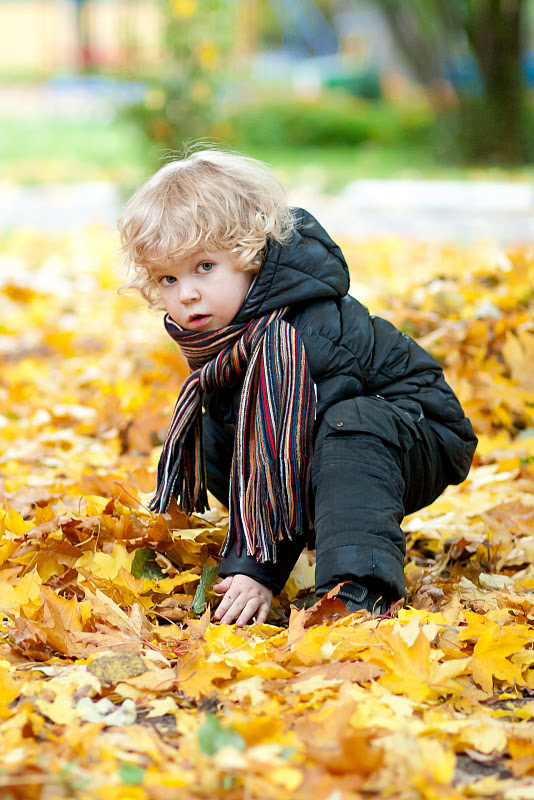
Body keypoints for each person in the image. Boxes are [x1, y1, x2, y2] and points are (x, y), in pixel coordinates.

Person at [117, 148, 477, 627]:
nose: (187, 293)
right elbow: (263, 447)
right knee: (215, 437)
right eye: (168, 278)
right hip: (333, 438)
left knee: (349, 427)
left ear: (249, 254)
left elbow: (287, 452)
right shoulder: (231, 334)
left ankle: (359, 591)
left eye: (204, 267)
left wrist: (257, 571)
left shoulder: (299, 335)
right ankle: (323, 531)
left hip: (417, 429)